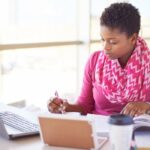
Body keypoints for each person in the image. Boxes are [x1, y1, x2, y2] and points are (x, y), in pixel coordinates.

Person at [47, 2, 150, 117]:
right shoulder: (95, 61)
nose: (105, 47)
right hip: (97, 130)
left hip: (136, 133)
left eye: (112, 42)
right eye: (102, 39)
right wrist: (64, 106)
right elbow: (85, 105)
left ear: (133, 38)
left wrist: (146, 106)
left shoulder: (148, 66)